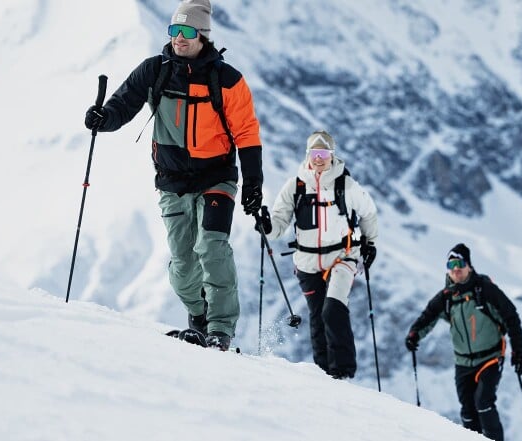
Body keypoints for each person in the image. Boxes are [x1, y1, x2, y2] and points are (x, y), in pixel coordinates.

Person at [83, 0, 263, 351]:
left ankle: (220, 330)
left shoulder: (227, 80)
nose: (178, 39)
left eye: (186, 32)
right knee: (182, 266)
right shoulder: (155, 70)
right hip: (172, 181)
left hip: (217, 177)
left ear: (203, 36)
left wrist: (253, 184)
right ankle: (198, 319)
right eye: (174, 31)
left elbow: (247, 133)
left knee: (212, 248)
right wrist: (103, 119)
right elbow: (124, 103)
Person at [255, 130, 378, 379]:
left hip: (342, 256)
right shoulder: (296, 186)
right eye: (314, 153)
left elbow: (369, 213)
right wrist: (268, 226)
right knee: (317, 316)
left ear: (332, 155)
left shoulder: (346, 185)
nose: (318, 158)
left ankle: (342, 371)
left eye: (323, 153)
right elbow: (279, 220)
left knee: (332, 309)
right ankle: (324, 374)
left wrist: (370, 243)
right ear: (307, 155)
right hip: (307, 262)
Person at [405, 243, 522, 441]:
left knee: (484, 403)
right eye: (451, 265)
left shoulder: (485, 290)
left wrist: (518, 352)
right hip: (463, 362)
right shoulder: (446, 297)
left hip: (491, 358)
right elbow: (427, 317)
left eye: (459, 263)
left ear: (469, 265)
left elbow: (511, 317)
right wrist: (414, 335)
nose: (456, 269)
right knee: (468, 412)